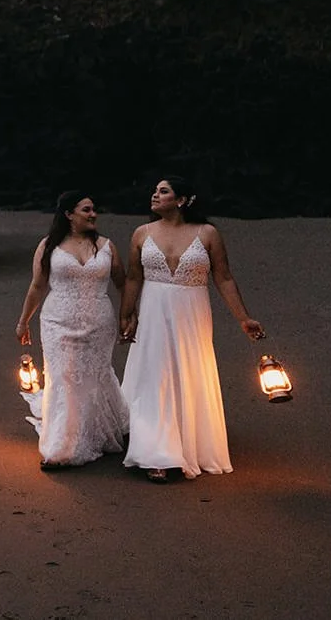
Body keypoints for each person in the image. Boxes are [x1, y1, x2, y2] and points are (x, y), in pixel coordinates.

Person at [118, 176, 265, 482]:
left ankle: (188, 442)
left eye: (163, 191)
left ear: (181, 200)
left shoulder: (207, 233)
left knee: (186, 371)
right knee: (155, 377)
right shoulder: (141, 233)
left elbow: (223, 278)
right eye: (155, 190)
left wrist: (243, 318)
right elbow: (133, 278)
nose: (154, 195)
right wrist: (127, 315)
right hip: (153, 311)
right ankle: (157, 453)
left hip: (191, 313)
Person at [14, 191, 129, 467]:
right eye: (86, 210)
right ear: (68, 214)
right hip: (58, 322)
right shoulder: (48, 246)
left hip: (98, 323)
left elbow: (123, 283)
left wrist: (128, 316)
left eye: (93, 210)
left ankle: (99, 430)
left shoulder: (106, 246)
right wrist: (23, 320)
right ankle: (64, 448)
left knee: (95, 376)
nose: (93, 214)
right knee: (64, 378)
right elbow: (37, 286)